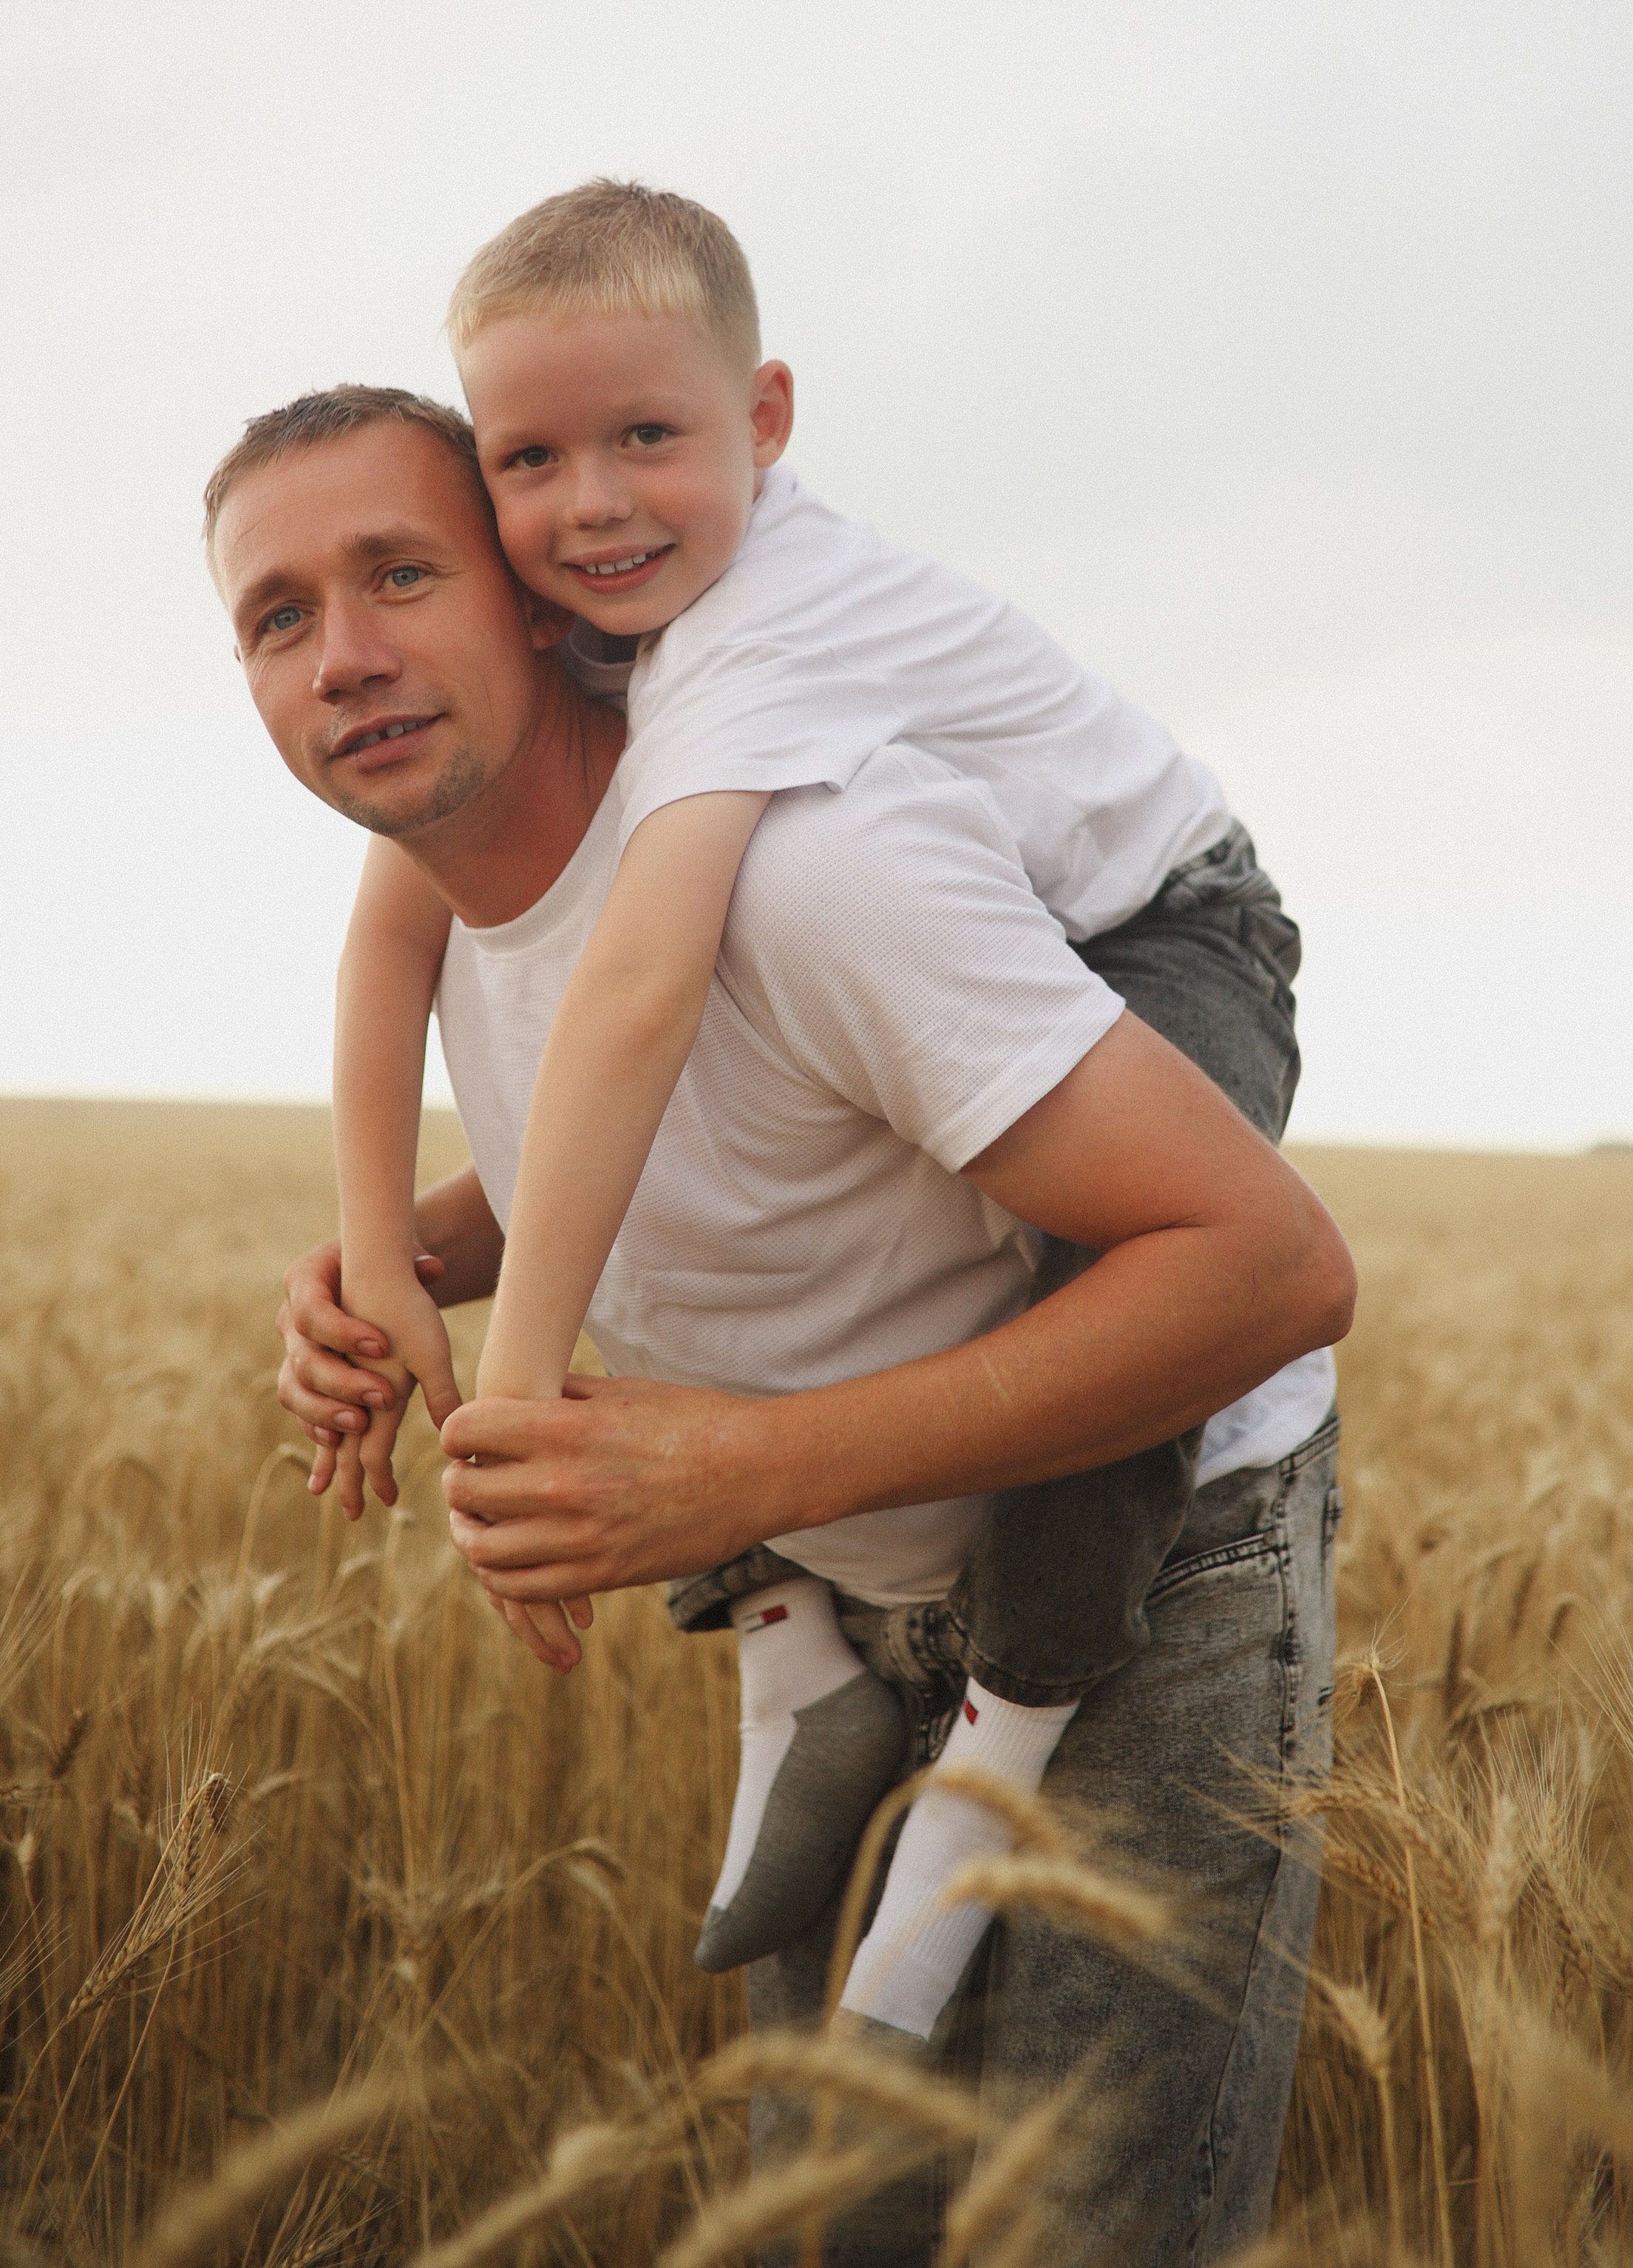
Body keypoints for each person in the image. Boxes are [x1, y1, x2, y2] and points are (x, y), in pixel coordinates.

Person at [218, 389, 1352, 2259]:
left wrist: (738, 1466)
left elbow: (1272, 1269)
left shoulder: (819, 862)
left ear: (529, 596)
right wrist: (395, 1272)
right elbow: (716, 1135)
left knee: (1077, 2240)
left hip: (1145, 1567)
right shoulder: (469, 905)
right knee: (843, 2227)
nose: (343, 655)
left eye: (400, 575)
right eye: (276, 617)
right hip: (842, 1584)